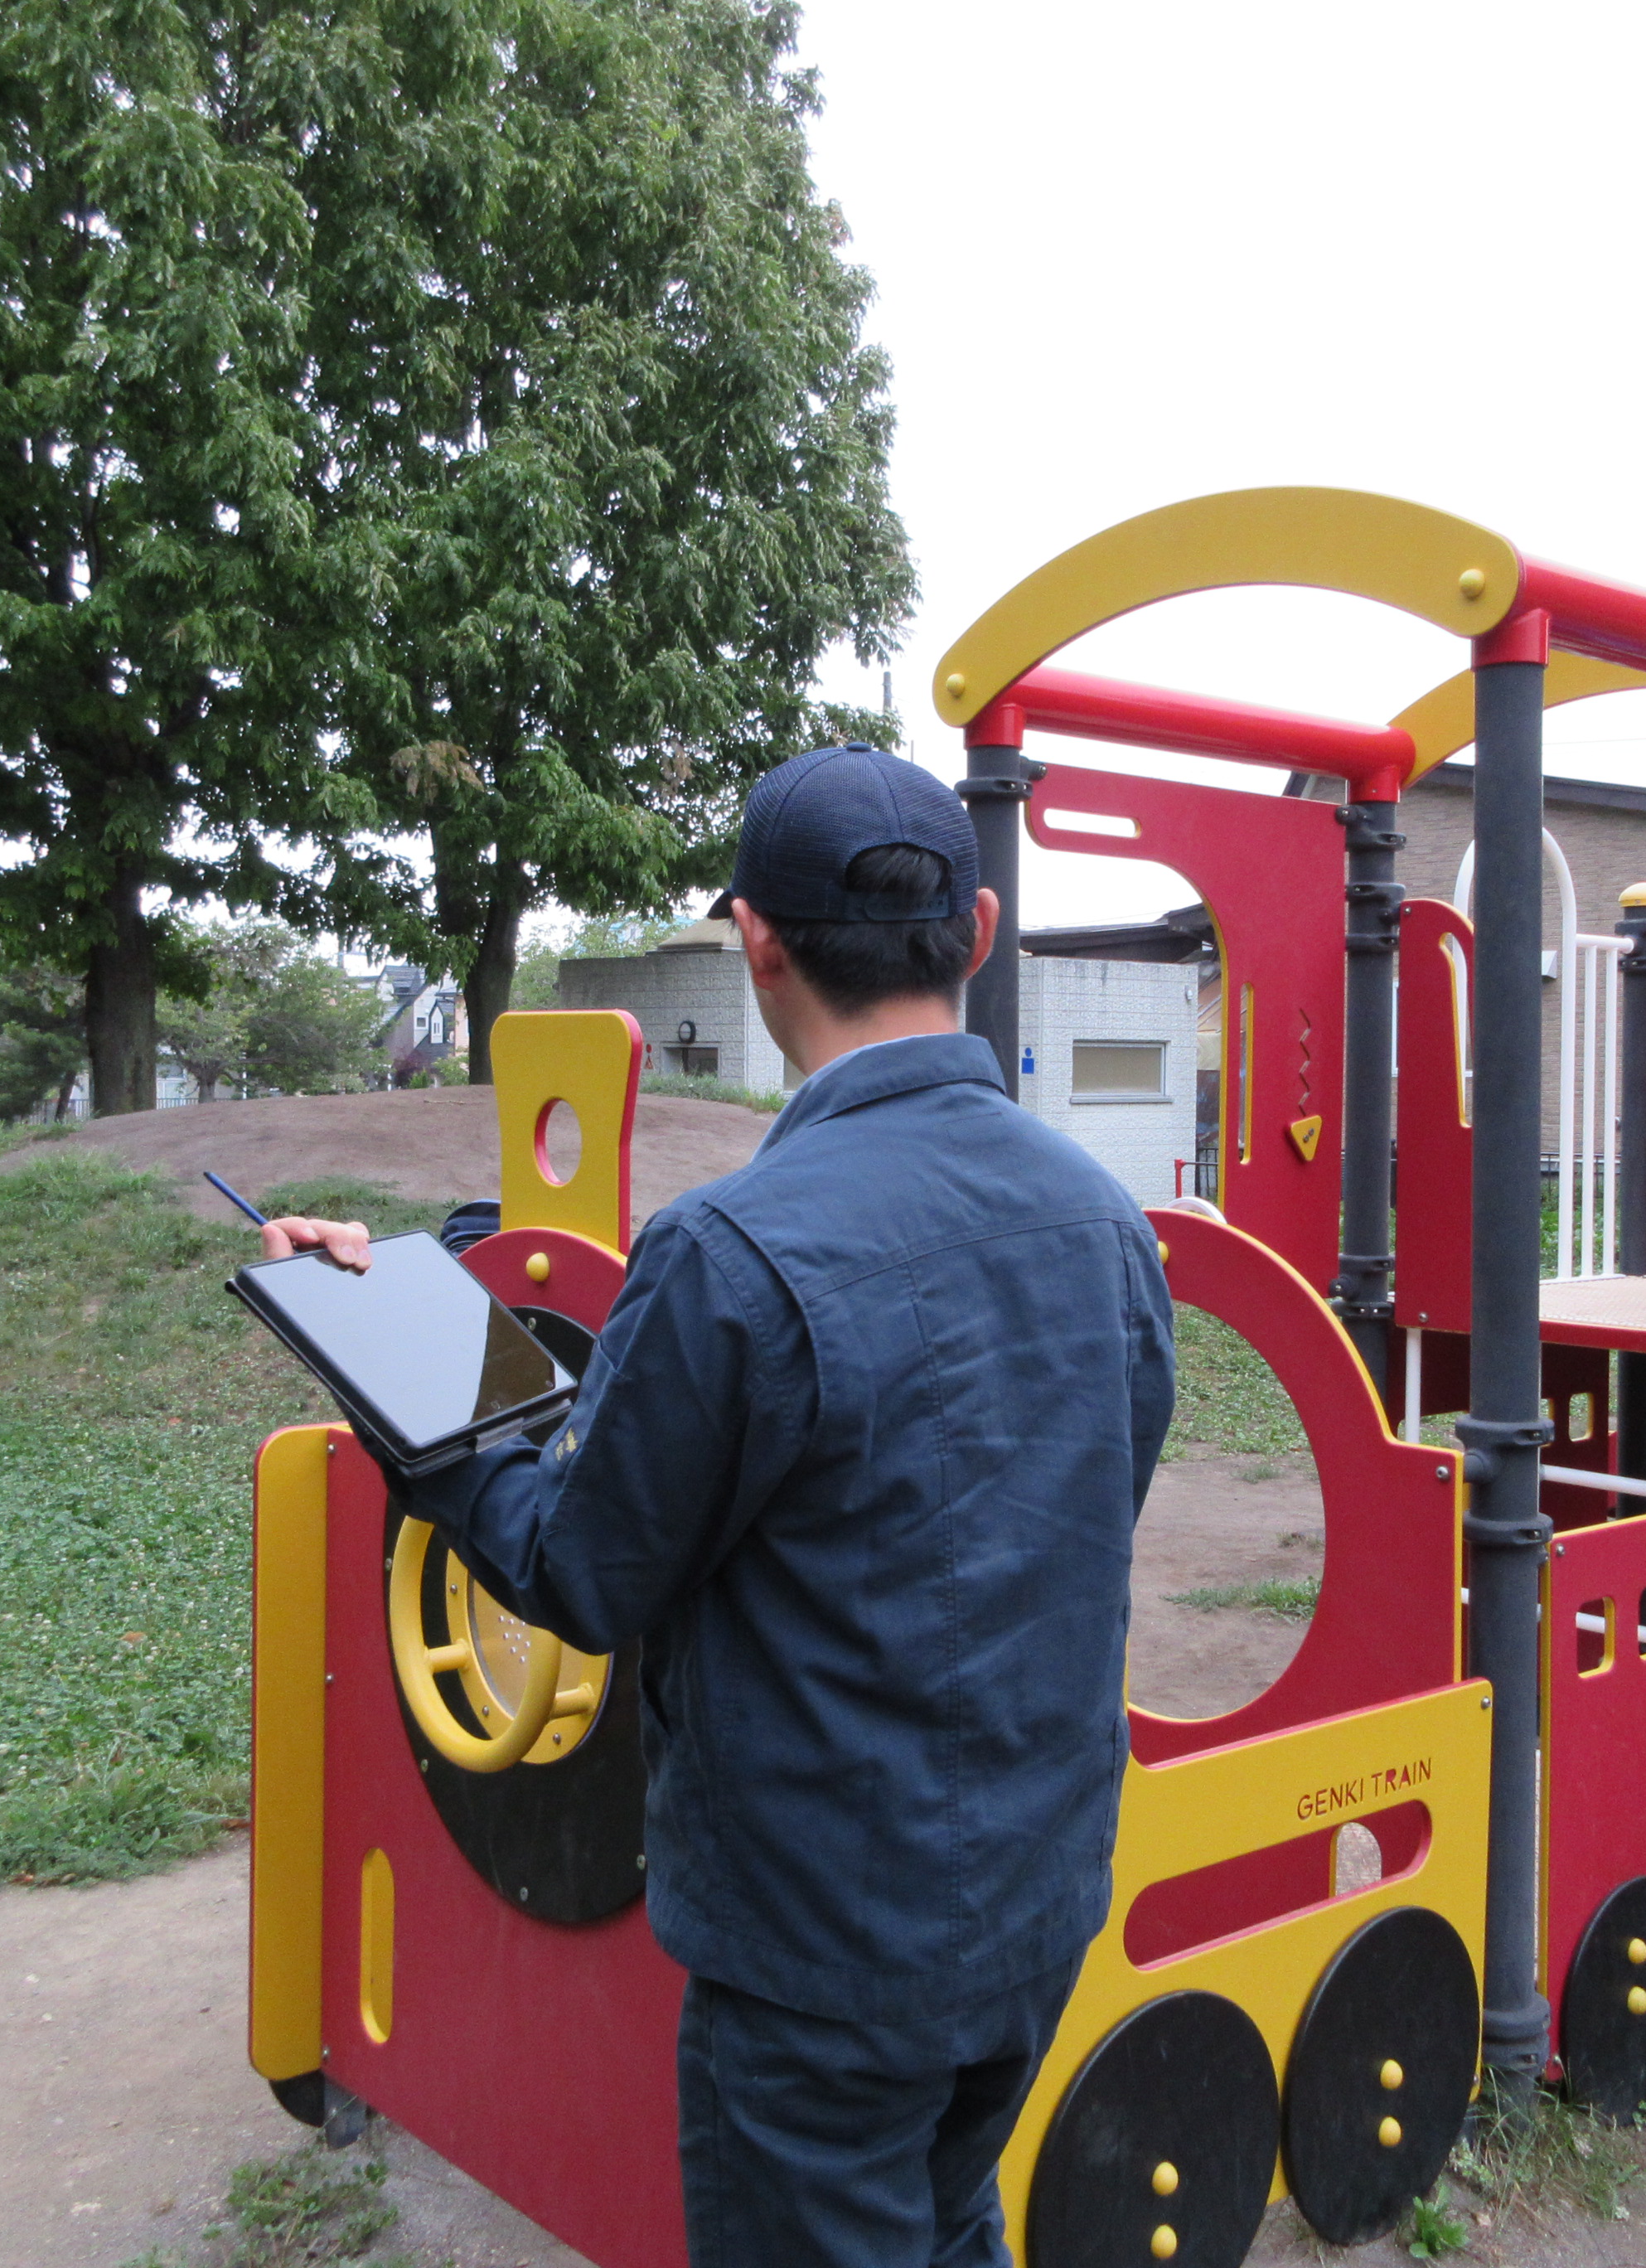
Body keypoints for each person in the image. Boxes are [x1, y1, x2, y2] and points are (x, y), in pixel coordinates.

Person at [259, 743, 1174, 2266]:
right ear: (979, 931)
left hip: (821, 1951)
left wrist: (407, 1393)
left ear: (754, 940)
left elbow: (581, 1570)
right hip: (1037, 1900)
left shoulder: (730, 1253)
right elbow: (1089, 1491)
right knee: (952, 2215)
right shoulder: (1105, 1221)